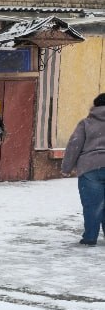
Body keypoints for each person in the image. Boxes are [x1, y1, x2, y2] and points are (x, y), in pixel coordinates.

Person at [61, 92, 105, 246]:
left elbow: (74, 145)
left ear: (95, 106)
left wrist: (66, 168)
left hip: (90, 168)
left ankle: (90, 237)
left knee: (92, 205)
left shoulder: (86, 123)